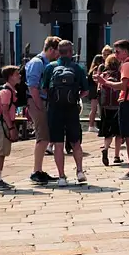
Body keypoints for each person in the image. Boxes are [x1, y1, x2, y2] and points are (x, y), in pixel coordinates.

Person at [41, 40, 88, 187]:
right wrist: (75, 97)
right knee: (75, 142)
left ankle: (61, 177)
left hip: (54, 109)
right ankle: (79, 171)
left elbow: (44, 89)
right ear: (70, 51)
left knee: (58, 144)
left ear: (59, 52)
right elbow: (85, 90)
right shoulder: (78, 68)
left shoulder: (50, 67)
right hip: (72, 109)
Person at [100, 40, 129, 179]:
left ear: (125, 51)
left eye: (117, 51)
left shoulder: (126, 65)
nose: (115, 54)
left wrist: (106, 83)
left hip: (127, 103)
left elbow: (123, 85)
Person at [25, 37, 61, 185]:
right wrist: (40, 105)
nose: (59, 55)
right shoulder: (37, 63)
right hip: (37, 101)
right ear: (51, 49)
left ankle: (39, 169)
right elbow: (32, 86)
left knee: (45, 136)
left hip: (43, 101)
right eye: (58, 52)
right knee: (42, 136)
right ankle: (36, 171)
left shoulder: (46, 63)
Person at [0, 65, 20, 190]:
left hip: (5, 124)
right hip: (4, 125)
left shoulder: (10, 90)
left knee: (3, 152)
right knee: (0, 152)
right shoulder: (7, 92)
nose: (19, 76)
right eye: (16, 74)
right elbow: (4, 111)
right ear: (10, 77)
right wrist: (11, 128)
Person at [98, 54, 123, 166]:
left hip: (105, 107)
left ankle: (106, 148)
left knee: (108, 132)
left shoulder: (104, 75)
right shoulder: (120, 75)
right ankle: (117, 156)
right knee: (118, 133)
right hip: (118, 106)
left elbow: (98, 90)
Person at [86, 54, 103, 133]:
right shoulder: (96, 69)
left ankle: (91, 125)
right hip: (94, 90)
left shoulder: (92, 69)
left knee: (94, 108)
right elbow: (95, 80)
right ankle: (91, 125)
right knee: (94, 109)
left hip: (91, 90)